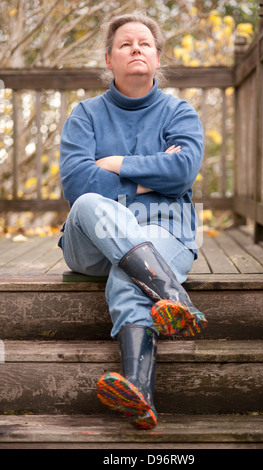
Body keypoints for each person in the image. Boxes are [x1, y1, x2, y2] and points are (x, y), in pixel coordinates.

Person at [58, 11, 207, 430]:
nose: (136, 48)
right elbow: (76, 183)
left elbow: (182, 173)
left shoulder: (180, 113)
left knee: (132, 267)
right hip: (90, 241)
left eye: (144, 43)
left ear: (158, 58)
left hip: (166, 232)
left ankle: (138, 391)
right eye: (125, 44)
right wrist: (149, 179)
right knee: (88, 201)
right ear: (109, 60)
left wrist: (117, 164)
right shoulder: (85, 115)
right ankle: (172, 296)